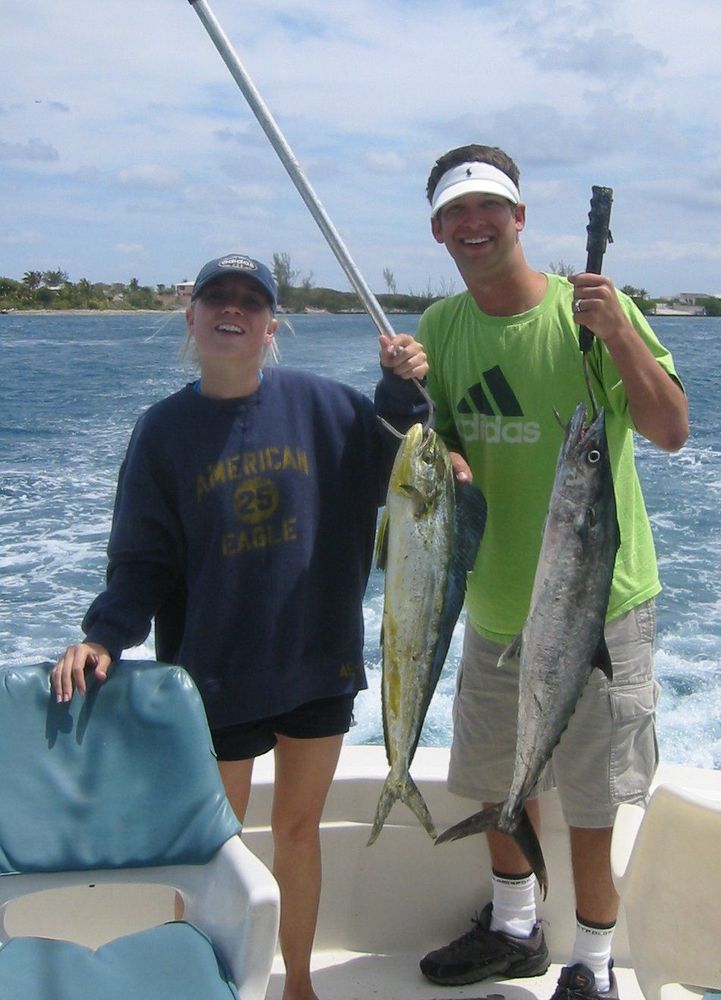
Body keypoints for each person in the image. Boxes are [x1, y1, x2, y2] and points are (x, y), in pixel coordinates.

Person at [51, 251, 428, 1000]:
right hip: (214, 670)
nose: (232, 309)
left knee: (296, 833)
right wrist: (103, 635)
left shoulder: (327, 406)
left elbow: (403, 463)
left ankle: (295, 985)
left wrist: (404, 388)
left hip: (318, 660)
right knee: (215, 844)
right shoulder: (162, 431)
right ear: (189, 317)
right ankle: (211, 981)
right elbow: (142, 558)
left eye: (249, 301)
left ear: (270, 326)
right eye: (215, 297)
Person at [414, 146, 688, 999]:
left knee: (592, 802)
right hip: (494, 607)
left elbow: (669, 429)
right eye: (456, 213)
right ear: (437, 231)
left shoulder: (591, 311)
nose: (474, 224)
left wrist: (616, 337)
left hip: (598, 609)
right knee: (500, 784)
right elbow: (446, 437)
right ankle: (514, 928)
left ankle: (595, 968)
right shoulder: (438, 328)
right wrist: (442, 450)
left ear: (519, 218)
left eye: (489, 207)